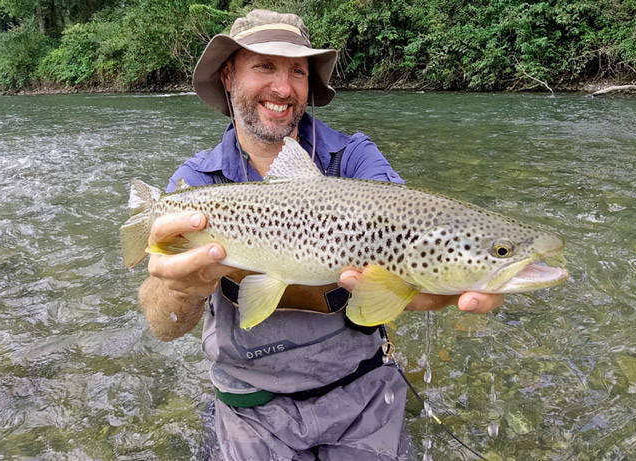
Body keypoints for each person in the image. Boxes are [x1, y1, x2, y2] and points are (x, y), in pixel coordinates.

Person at [136, 9, 505, 460]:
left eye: (297, 70)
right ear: (229, 77)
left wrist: (430, 281)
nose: (283, 87)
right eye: (265, 66)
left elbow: (410, 220)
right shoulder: (196, 181)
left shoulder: (354, 157)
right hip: (250, 403)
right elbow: (162, 326)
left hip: (360, 391)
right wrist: (181, 290)